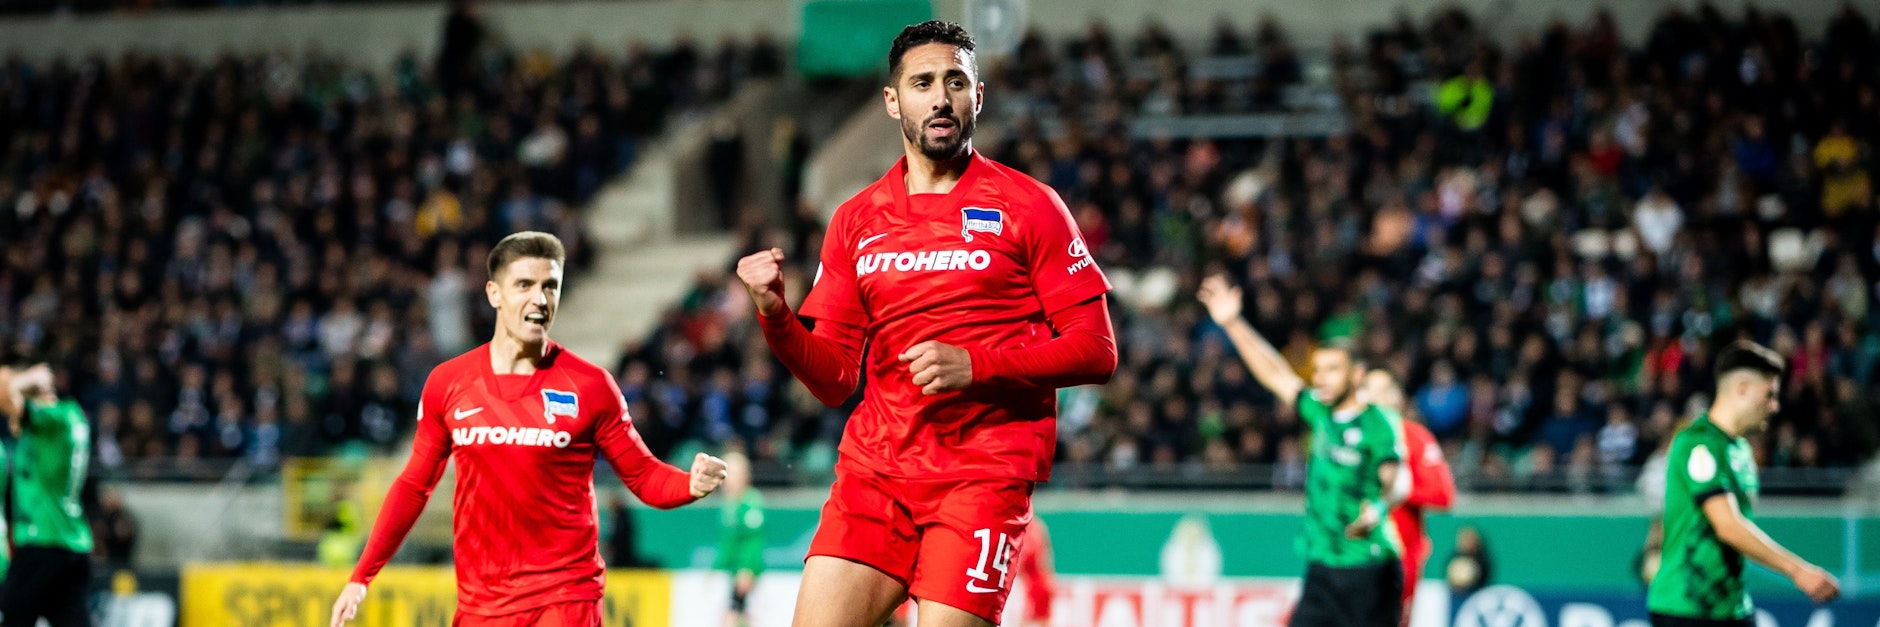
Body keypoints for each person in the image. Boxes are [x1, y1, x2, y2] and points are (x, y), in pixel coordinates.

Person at [735, 20, 1117, 627]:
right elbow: (835, 380)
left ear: (977, 96)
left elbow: (1096, 350)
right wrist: (777, 317)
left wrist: (977, 365)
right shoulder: (855, 220)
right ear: (893, 101)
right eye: (922, 83)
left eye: (955, 82)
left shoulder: (1031, 206)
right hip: (875, 473)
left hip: (983, 479)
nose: (940, 98)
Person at [329, 232, 729, 627]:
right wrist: (361, 576)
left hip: (565, 598)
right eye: (524, 285)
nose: (540, 299)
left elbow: (642, 475)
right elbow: (415, 485)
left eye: (550, 286)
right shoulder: (448, 383)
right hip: (481, 605)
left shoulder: (590, 386)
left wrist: (688, 485)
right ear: (494, 293)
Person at [1196, 275, 1408, 627]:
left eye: (1333, 370)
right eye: (1319, 369)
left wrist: (1378, 509)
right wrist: (1233, 323)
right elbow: (1276, 375)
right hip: (1322, 567)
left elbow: (1396, 480)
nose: (1321, 378)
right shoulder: (1320, 412)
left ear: (1356, 375)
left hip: (1368, 567)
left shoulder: (1378, 422)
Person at [1646, 341, 1839, 626]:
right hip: (1685, 607)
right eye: (1769, 394)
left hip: (1732, 607)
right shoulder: (1698, 443)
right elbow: (1727, 524)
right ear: (1742, 388)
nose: (1774, 406)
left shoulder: (1741, 450)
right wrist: (1798, 570)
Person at [0, 363, 96, 627]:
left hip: (42, 541)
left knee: (11, 616)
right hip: (73, 542)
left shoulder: (51, 419)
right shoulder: (73, 416)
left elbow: (13, 398)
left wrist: (25, 380)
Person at [1360, 369, 1456, 625]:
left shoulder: (1413, 437)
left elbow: (1442, 494)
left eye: (1383, 391)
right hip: (1353, 551)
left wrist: (1398, 491)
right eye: (1368, 390)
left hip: (1400, 554)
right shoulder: (1350, 436)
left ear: (1397, 396)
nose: (1375, 398)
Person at [716, 452, 765, 627]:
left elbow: (753, 541)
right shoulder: (729, 503)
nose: (728, 480)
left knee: (734, 613)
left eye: (733, 474)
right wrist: (716, 567)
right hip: (732, 570)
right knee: (739, 613)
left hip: (744, 570)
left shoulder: (751, 502)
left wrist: (748, 568)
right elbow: (727, 542)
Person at [1007, 512, 1058, 627]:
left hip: (1037, 582)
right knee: (1022, 619)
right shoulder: (1017, 527)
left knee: (1042, 619)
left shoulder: (1036, 526)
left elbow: (1045, 556)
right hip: (1024, 583)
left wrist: (1049, 578)